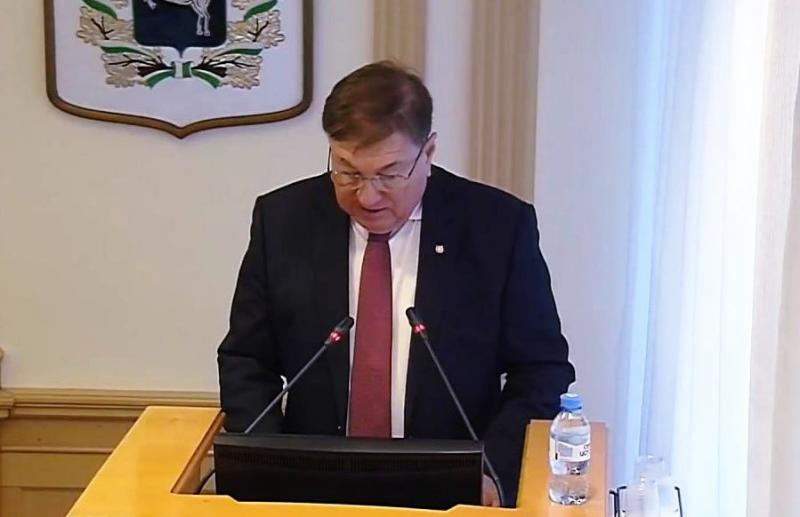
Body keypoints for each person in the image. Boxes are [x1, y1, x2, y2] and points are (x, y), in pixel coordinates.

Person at [217, 61, 575, 507]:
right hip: (309, 489)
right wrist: (269, 466)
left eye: (389, 174)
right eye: (348, 171)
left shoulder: (496, 228)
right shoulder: (283, 220)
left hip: (453, 491)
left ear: (429, 152)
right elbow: (246, 360)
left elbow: (541, 370)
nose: (367, 196)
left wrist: (493, 471)